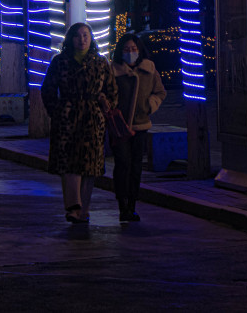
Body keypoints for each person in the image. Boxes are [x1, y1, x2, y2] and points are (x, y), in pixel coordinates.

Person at [41, 23, 116, 224]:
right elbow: (47, 89)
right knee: (69, 164)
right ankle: (73, 206)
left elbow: (112, 90)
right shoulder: (60, 62)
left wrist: (103, 108)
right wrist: (57, 111)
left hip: (92, 119)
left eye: (85, 35)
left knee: (89, 166)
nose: (82, 39)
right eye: (77, 36)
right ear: (70, 39)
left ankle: (85, 207)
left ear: (91, 38)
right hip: (67, 117)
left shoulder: (101, 63)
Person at [111, 33, 166, 222]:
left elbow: (160, 91)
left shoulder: (149, 69)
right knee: (123, 164)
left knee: (135, 166)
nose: (130, 52)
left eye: (133, 49)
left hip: (141, 125)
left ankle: (132, 204)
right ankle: (122, 205)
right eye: (126, 49)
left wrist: (149, 105)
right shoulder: (114, 70)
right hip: (120, 127)